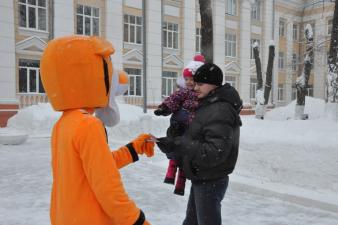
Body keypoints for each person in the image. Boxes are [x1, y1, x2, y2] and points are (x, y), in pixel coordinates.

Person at [40, 35, 154, 225]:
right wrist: (137, 221)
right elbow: (108, 187)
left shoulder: (63, 124)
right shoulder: (88, 125)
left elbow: (98, 166)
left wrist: (133, 148)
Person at [156, 63, 242, 225]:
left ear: (214, 85)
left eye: (200, 84)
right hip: (202, 176)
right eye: (195, 83)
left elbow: (214, 152)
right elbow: (195, 138)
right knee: (191, 222)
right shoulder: (206, 104)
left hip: (211, 179)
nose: (195, 88)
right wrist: (173, 140)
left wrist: (179, 143)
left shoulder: (221, 109)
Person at [154, 55, 204, 195]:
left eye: (192, 79)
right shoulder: (183, 92)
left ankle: (180, 185)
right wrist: (163, 109)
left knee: (183, 156)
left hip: (190, 129)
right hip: (177, 126)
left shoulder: (201, 95)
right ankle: (170, 174)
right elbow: (172, 101)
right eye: (186, 79)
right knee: (173, 148)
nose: (188, 82)